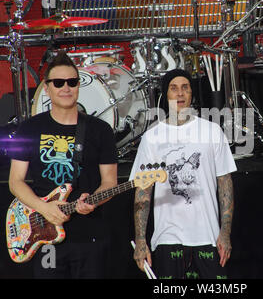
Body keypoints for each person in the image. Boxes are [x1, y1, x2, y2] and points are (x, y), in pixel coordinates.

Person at [8, 51, 118, 278]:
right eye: (58, 83)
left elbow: (110, 182)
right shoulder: (28, 129)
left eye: (72, 82)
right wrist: (44, 208)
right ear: (46, 88)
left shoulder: (100, 130)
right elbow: (15, 182)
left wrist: (94, 202)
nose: (66, 88)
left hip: (90, 235)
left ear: (79, 86)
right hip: (44, 233)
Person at [129, 69, 236, 279]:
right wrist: (140, 240)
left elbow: (225, 184)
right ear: (165, 95)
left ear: (191, 94)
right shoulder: (151, 138)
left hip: (208, 235)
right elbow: (143, 192)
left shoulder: (212, 131)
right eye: (174, 88)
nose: (180, 94)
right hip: (167, 238)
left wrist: (225, 232)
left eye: (185, 88)